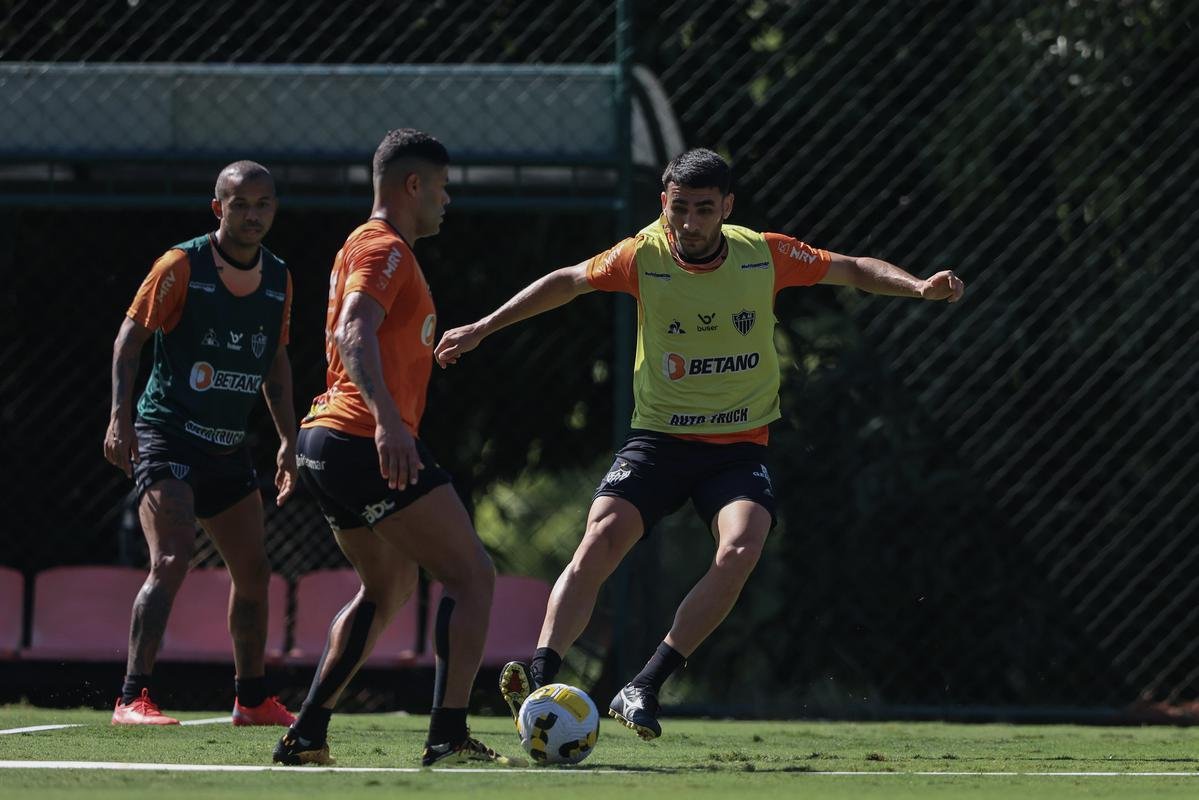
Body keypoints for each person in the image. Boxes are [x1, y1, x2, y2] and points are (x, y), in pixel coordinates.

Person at [435, 148, 965, 741]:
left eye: (703, 209)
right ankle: (539, 681)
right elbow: (566, 283)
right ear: (664, 204)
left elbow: (850, 268)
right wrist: (482, 328)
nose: (689, 222)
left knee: (739, 551)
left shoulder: (764, 254)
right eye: (679, 207)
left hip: (738, 448)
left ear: (727, 208)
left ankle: (645, 684)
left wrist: (917, 287)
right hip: (658, 441)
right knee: (599, 542)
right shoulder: (642, 255)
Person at [272, 129, 522, 768]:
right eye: (440, 188)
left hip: (325, 441)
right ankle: (447, 735)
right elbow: (354, 331)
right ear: (413, 186)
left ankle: (307, 735)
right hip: (359, 438)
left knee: (385, 588)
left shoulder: (370, 248)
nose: (446, 201)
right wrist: (388, 421)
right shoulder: (384, 248)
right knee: (472, 575)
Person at [102, 161, 298, 727]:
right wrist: (119, 418)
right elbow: (127, 341)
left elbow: (276, 362)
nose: (253, 214)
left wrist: (288, 441)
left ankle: (252, 698)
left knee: (254, 571)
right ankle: (131, 697)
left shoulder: (280, 278)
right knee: (170, 558)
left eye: (263, 203)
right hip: (166, 434)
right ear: (219, 208)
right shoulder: (180, 264)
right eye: (241, 203)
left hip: (228, 446)